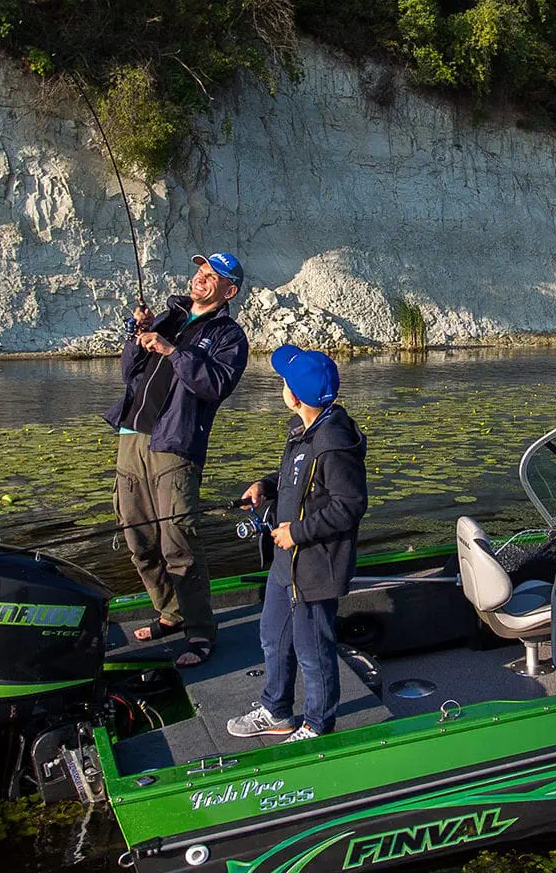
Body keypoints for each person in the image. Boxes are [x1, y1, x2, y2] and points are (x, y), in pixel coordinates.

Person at [105, 252, 250, 666]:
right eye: (200, 272)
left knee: (178, 543)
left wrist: (172, 350)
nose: (201, 279)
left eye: (212, 276)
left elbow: (215, 385)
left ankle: (201, 632)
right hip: (131, 439)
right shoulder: (168, 318)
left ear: (229, 291)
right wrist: (141, 333)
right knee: (139, 541)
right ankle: (170, 613)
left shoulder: (228, 336)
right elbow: (130, 374)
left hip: (174, 446)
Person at [226, 347, 368, 742]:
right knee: (273, 635)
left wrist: (297, 533)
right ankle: (276, 711)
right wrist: (264, 487)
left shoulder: (334, 444)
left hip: (315, 565)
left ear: (296, 394)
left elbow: (350, 506)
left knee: (313, 650)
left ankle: (318, 725)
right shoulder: (303, 428)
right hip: (285, 562)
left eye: (285, 382)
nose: (281, 386)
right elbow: (294, 475)